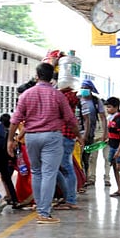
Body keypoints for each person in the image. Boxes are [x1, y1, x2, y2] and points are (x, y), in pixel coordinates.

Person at [7, 62, 78, 224]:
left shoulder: (26, 94)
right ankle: (44, 213)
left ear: (37, 76)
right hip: (52, 137)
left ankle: (40, 209)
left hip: (31, 137)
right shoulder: (58, 95)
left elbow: (15, 119)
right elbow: (70, 119)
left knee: (37, 172)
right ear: (52, 77)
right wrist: (78, 136)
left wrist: (10, 140)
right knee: (49, 174)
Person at [53, 75, 82, 210]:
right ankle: (68, 197)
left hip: (66, 135)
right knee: (59, 167)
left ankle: (70, 199)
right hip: (65, 136)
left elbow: (58, 98)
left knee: (66, 167)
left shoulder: (69, 96)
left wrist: (61, 89)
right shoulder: (70, 95)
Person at [79, 79, 109, 188]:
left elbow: (103, 117)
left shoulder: (96, 101)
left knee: (88, 157)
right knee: (79, 157)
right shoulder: (78, 100)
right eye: (82, 87)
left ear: (90, 90)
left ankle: (88, 178)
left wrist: (105, 133)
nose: (83, 90)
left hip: (91, 134)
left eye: (85, 88)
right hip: (78, 134)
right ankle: (83, 179)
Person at [103, 97, 120, 197]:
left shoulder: (119, 120)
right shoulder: (111, 119)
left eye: (109, 107)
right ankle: (119, 189)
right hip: (112, 146)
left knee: (119, 167)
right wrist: (109, 140)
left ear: (116, 107)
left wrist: (119, 151)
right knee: (114, 167)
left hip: (119, 147)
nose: (107, 109)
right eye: (107, 107)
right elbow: (113, 133)